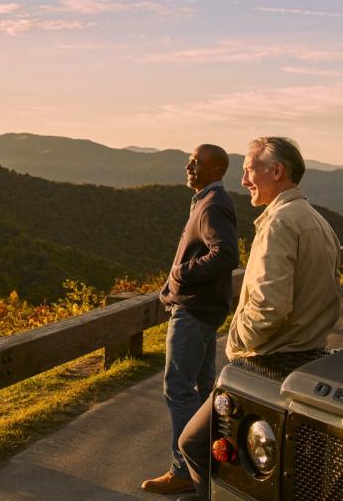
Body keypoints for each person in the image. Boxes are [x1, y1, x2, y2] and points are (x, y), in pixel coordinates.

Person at [174, 136, 340, 498]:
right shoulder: (319, 223)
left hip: (267, 363)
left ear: (277, 171)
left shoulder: (279, 224)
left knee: (194, 443)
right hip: (308, 361)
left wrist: (235, 347)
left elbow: (269, 308)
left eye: (249, 171)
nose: (244, 180)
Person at [141, 144, 239, 495]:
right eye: (190, 161)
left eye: (196, 162)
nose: (189, 165)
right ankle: (207, 461)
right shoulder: (206, 200)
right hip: (200, 311)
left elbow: (226, 253)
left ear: (216, 170)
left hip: (193, 311)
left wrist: (182, 273)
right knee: (200, 390)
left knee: (179, 389)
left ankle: (183, 470)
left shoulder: (213, 204)